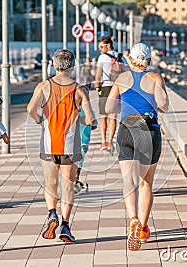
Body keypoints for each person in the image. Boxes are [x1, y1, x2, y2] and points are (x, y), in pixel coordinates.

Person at [105, 43, 169, 251]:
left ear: (130, 60)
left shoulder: (121, 79)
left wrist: (123, 103)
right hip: (148, 129)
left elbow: (108, 108)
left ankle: (132, 218)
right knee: (145, 183)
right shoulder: (155, 78)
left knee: (129, 180)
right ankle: (142, 227)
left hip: (125, 129)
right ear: (148, 61)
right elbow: (164, 105)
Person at [27, 49, 94, 243]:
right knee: (68, 188)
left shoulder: (43, 86)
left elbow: (30, 108)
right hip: (70, 146)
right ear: (72, 66)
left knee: (50, 184)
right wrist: (83, 119)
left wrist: (40, 119)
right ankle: (65, 225)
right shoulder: (79, 90)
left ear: (54, 65)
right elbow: (89, 118)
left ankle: (51, 214)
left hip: (48, 144)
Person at [95, 36, 127, 151]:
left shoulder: (102, 57)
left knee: (103, 116)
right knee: (113, 116)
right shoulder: (120, 56)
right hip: (117, 88)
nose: (100, 49)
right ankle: (110, 141)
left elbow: (98, 76)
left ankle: (103, 142)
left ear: (108, 45)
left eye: (101, 47)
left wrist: (97, 87)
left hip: (106, 87)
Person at [74, 108, 98, 194]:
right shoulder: (90, 111)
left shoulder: (71, 109)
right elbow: (94, 126)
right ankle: (76, 179)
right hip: (84, 141)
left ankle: (72, 180)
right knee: (80, 162)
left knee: (72, 161)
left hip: (72, 141)